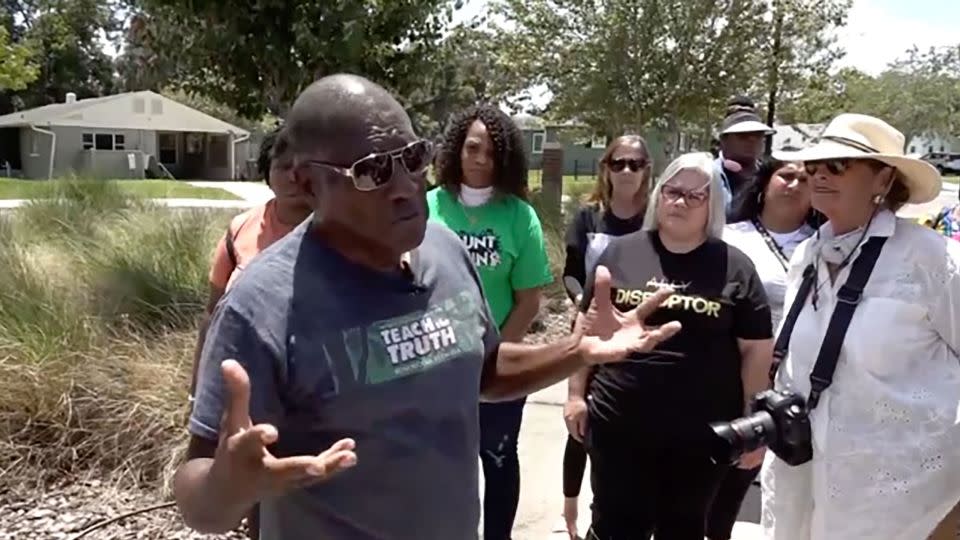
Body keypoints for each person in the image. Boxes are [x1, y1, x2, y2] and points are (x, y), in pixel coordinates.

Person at [175, 73, 683, 540]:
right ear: (309, 184)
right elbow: (201, 505)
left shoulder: (444, 249)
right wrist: (229, 485)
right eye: (372, 171)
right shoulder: (262, 304)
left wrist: (579, 350)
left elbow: (482, 369)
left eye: (413, 158)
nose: (406, 188)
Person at [760, 113, 960, 540]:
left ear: (883, 179)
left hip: (909, 504)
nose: (818, 176)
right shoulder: (807, 256)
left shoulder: (931, 259)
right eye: (814, 167)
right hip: (807, 489)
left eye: (837, 165)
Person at [566, 152, 774, 540]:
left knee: (684, 528)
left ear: (712, 206)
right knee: (614, 526)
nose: (680, 201)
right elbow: (588, 328)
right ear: (659, 195)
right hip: (619, 426)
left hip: (701, 436)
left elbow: (756, 351)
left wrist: (751, 420)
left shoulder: (736, 267)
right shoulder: (620, 253)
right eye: (673, 191)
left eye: (695, 196)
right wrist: (576, 395)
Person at [428, 104, 554, 540]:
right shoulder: (428, 207)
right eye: (472, 147)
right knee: (438, 464)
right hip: (433, 366)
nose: (480, 159)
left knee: (498, 459)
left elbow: (529, 299)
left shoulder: (520, 217)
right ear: (456, 149)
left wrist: (493, 356)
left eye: (491, 151)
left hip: (496, 365)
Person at [186, 126, 311, 540]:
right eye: (282, 164)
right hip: (244, 385)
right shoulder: (241, 229)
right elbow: (214, 311)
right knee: (253, 487)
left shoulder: (335, 232)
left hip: (306, 382)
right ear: (267, 172)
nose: (294, 174)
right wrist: (198, 384)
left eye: (304, 165)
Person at [708, 158, 815, 540]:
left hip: (795, 382)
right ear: (764, 185)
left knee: (751, 481)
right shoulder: (730, 237)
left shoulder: (826, 244)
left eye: (805, 178)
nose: (795, 183)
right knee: (710, 478)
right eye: (786, 175)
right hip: (729, 371)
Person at [559, 134, 653, 540]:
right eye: (619, 163)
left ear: (647, 170)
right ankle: (569, 511)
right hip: (592, 328)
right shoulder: (589, 217)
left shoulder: (654, 219)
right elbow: (571, 269)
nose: (627, 171)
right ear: (606, 169)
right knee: (580, 421)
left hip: (639, 332)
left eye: (635, 163)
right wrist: (582, 305)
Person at [714, 98, 776, 217]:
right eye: (743, 135)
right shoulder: (707, 175)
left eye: (758, 135)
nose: (752, 140)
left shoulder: (770, 177)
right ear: (723, 141)